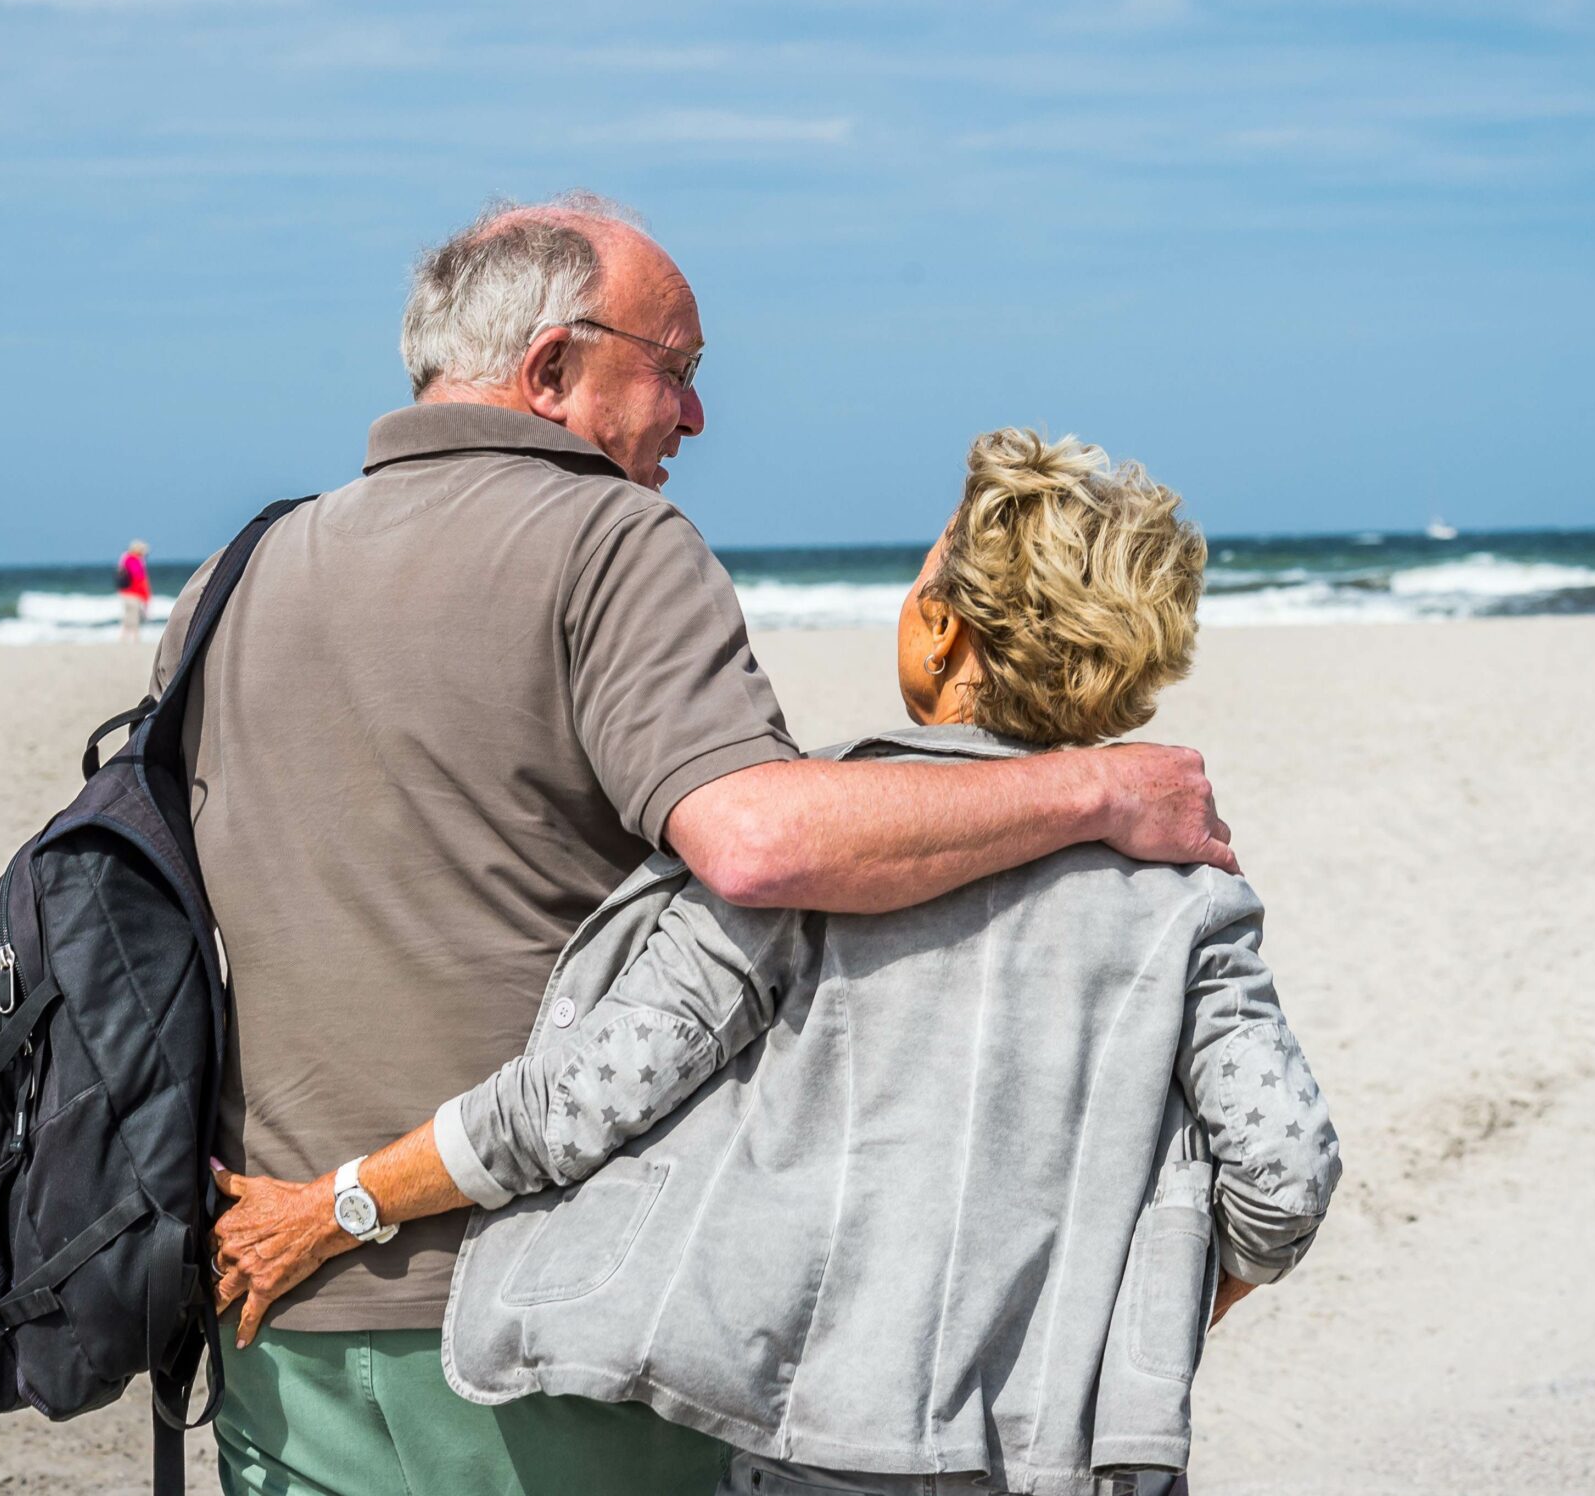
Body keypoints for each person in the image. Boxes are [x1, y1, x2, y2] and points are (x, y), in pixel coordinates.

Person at [153, 195, 1236, 1496]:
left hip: (272, 1300)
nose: (696, 417)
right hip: (549, 1328)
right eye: (678, 370)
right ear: (553, 367)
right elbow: (761, 844)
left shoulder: (239, 571)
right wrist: (1099, 794)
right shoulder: (610, 542)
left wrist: (326, 1207)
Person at [117, 539, 152, 643]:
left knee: (128, 616)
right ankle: (134, 638)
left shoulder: (124, 559)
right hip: (133, 593)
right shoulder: (133, 560)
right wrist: (145, 595)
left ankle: (124, 637)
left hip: (126, 593)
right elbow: (139, 578)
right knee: (133, 616)